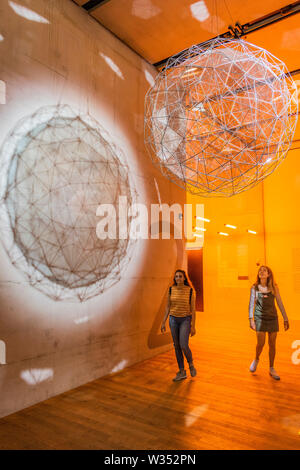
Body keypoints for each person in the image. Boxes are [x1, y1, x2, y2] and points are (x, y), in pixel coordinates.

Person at [248, 265, 289, 380]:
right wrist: (251, 319)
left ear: (268, 274)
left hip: (272, 318)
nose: (261, 272)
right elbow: (251, 304)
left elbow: (280, 303)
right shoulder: (254, 287)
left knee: (272, 344)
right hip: (260, 318)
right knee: (261, 343)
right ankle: (256, 358)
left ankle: (271, 368)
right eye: (260, 271)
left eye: (264, 271)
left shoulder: (274, 287)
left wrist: (285, 318)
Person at [161, 269, 197, 381]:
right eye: (176, 276)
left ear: (184, 278)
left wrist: (193, 326)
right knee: (176, 346)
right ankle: (182, 371)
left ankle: (190, 363)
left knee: (183, 345)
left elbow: (193, 310)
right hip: (173, 320)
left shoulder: (190, 291)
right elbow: (168, 307)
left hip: (185, 320)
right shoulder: (171, 290)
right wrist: (163, 322)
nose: (178, 278)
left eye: (180, 276)